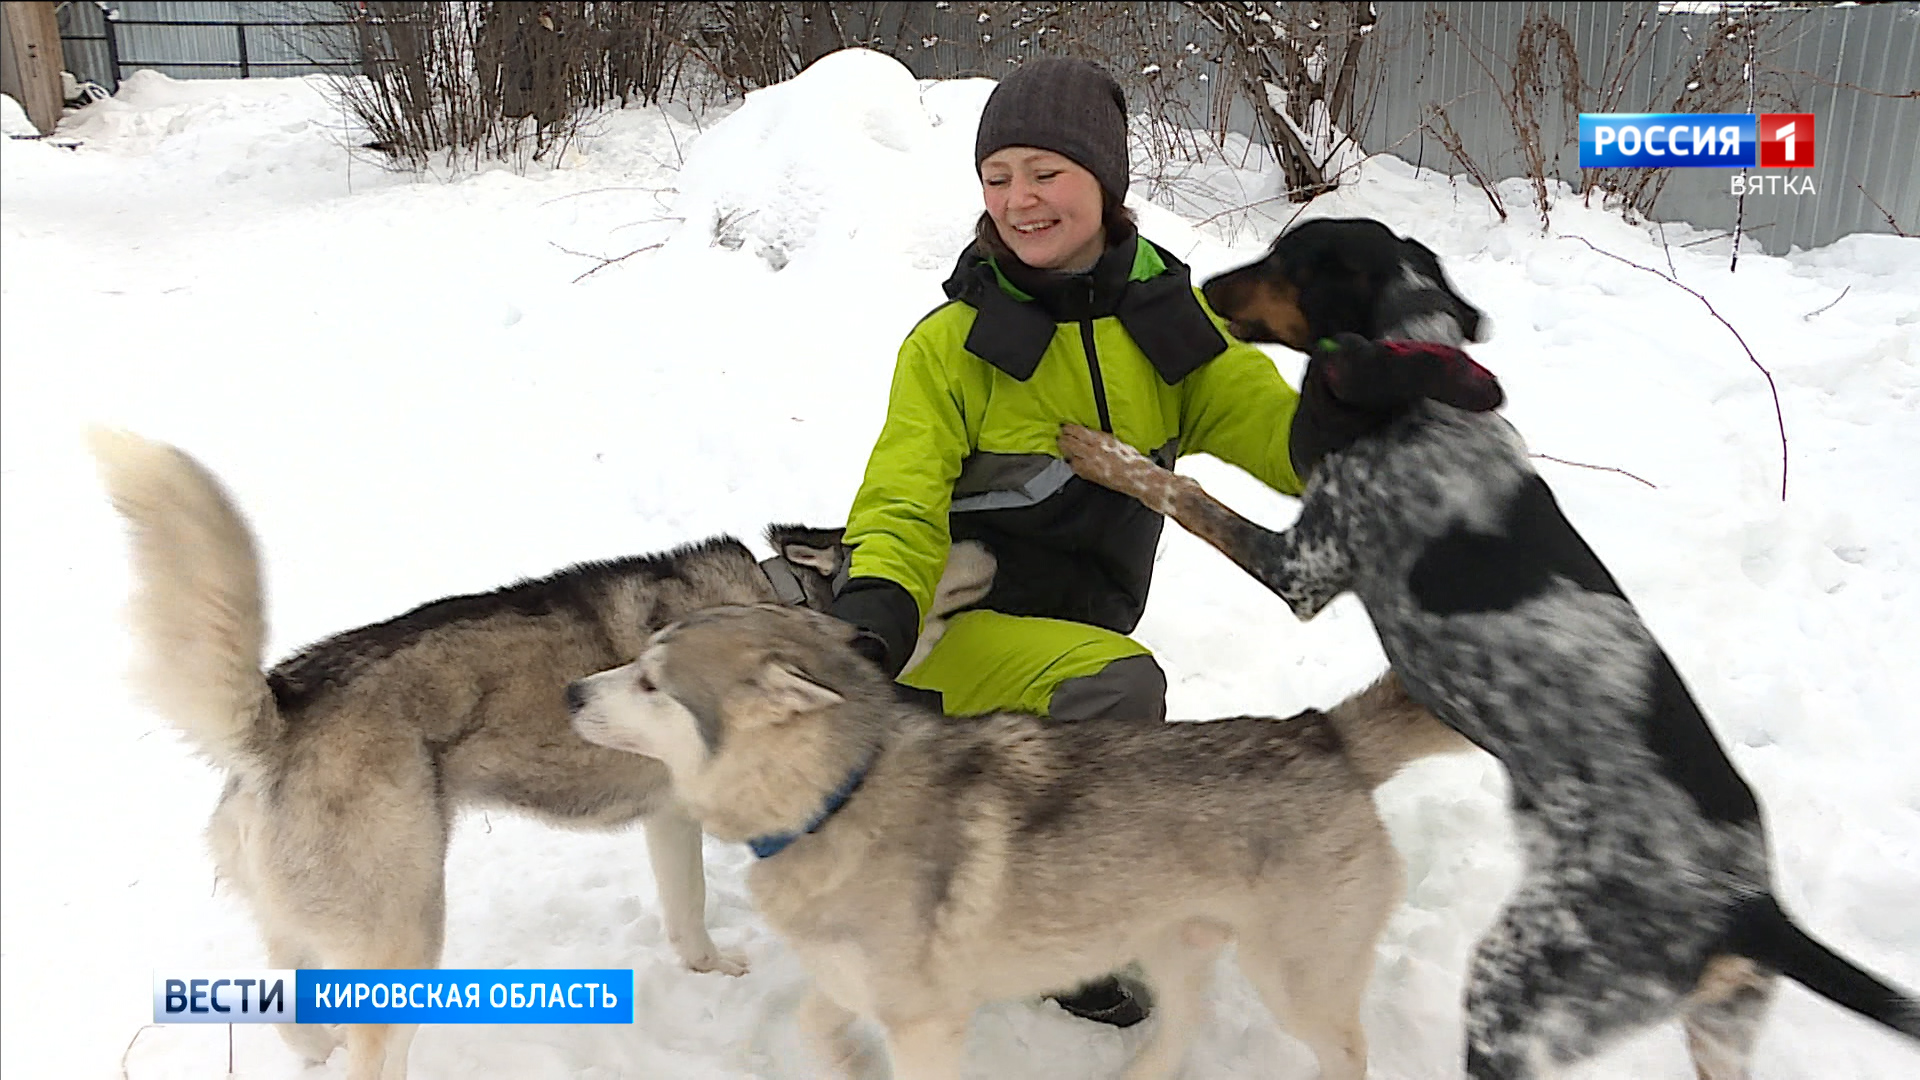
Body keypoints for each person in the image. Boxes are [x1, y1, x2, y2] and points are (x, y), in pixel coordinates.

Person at [811, 57, 1458, 1027]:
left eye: (1046, 172)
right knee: (1115, 686)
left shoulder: (1169, 328)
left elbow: (1276, 437)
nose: (1020, 200)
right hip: (948, 634)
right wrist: (870, 626)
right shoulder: (951, 346)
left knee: (1101, 686)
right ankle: (1065, 936)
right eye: (998, 177)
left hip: (1070, 629)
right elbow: (900, 503)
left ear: (1104, 182)